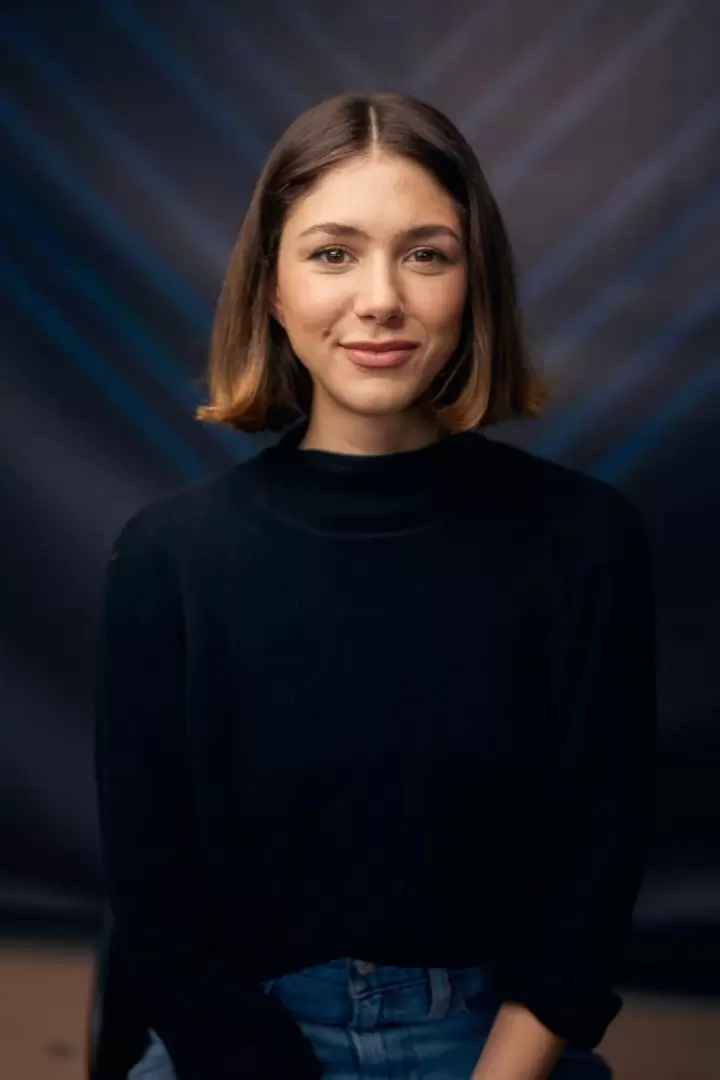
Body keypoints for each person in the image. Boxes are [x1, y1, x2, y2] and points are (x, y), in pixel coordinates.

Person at [94, 91, 657, 1080]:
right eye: (332, 254)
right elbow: (159, 911)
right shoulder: (165, 559)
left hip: (495, 1044)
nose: (381, 298)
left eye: (427, 255)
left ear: (473, 285)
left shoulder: (586, 542)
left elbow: (594, 876)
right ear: (272, 289)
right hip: (234, 1047)